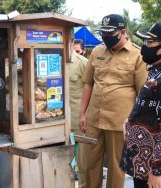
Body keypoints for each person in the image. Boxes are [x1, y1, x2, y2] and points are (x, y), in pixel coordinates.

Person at [79, 14, 147, 188]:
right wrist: (82, 114)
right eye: (103, 33)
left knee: (116, 167)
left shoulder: (138, 55)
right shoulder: (97, 51)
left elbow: (142, 93)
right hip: (94, 118)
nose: (105, 37)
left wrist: (134, 121)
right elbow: (88, 84)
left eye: (110, 33)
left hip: (119, 122)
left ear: (122, 32)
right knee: (90, 163)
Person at [120, 23, 161, 188]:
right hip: (144, 160)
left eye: (150, 42)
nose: (145, 47)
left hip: (155, 165)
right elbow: (151, 107)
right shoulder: (159, 71)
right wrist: (130, 121)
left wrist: (157, 171)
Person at [68, 39, 88, 187]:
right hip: (57, 118)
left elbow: (91, 90)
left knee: (82, 158)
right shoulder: (54, 60)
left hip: (78, 119)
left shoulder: (83, 63)